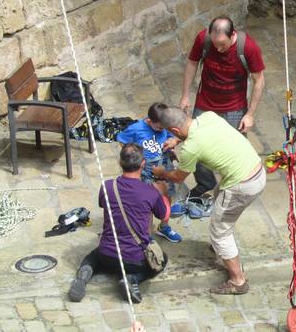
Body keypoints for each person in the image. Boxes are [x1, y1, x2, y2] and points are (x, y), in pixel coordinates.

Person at [153, 106, 265, 294]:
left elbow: (178, 177)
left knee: (219, 231)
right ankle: (223, 248)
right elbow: (196, 136)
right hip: (255, 169)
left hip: (242, 185)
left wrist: (161, 172)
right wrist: (176, 140)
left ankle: (238, 281)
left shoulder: (190, 149)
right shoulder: (209, 117)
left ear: (174, 131)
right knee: (219, 196)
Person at [68, 144, 170, 304]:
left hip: (107, 255)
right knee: (161, 260)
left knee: (92, 258)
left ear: (119, 162)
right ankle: (133, 279)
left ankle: (83, 277)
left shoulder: (107, 187)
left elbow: (104, 205)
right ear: (143, 164)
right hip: (135, 260)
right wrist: (162, 194)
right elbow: (164, 215)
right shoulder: (150, 192)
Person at [179, 16, 266, 202]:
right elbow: (192, 63)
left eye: (223, 45)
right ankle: (205, 183)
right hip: (205, 102)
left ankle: (236, 186)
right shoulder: (203, 39)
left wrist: (250, 114)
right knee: (195, 144)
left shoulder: (248, 47)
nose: (218, 49)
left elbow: (259, 80)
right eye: (215, 44)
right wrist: (186, 94)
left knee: (236, 148)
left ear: (232, 34)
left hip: (234, 107)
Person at [116, 102, 182, 242]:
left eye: (164, 128)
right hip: (145, 170)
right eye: (159, 127)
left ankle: (164, 226)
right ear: (150, 120)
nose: (161, 130)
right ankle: (148, 234)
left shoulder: (165, 125)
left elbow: (177, 136)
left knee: (166, 196)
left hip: (163, 166)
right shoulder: (136, 128)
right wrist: (135, 156)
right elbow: (122, 140)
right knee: (148, 202)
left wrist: (173, 142)